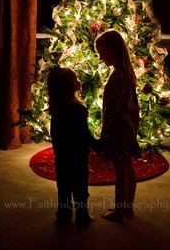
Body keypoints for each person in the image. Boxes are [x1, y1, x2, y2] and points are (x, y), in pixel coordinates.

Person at [95, 30, 142, 223]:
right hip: (128, 128)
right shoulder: (126, 74)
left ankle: (120, 211)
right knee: (127, 167)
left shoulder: (117, 78)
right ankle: (127, 206)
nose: (100, 57)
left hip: (118, 130)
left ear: (114, 51)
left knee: (121, 170)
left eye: (102, 52)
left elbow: (111, 111)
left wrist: (104, 133)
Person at [47, 66, 98, 226]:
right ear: (69, 86)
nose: (79, 81)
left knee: (63, 186)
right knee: (80, 186)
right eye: (75, 79)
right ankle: (82, 215)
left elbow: (55, 135)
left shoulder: (55, 108)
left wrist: (58, 150)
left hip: (61, 156)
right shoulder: (79, 110)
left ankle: (64, 212)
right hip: (77, 157)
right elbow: (84, 135)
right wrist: (98, 145)